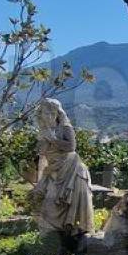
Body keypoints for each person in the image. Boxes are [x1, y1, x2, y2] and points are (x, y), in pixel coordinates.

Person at [30, 98, 94, 243]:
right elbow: (42, 152)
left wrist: (52, 140)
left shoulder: (65, 128)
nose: (45, 116)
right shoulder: (44, 131)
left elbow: (72, 147)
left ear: (56, 113)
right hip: (54, 170)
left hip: (72, 171)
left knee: (69, 205)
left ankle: (71, 239)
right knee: (49, 204)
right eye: (42, 113)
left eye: (48, 113)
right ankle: (53, 240)